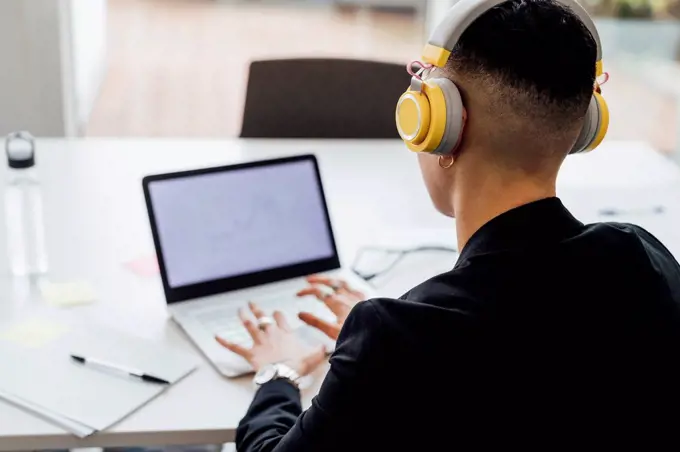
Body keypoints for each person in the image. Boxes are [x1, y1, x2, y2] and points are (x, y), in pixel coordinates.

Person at [216, 0, 680, 449]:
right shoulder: (643, 261)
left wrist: (279, 373)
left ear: (443, 128)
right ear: (583, 126)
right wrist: (375, 346)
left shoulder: (394, 340)